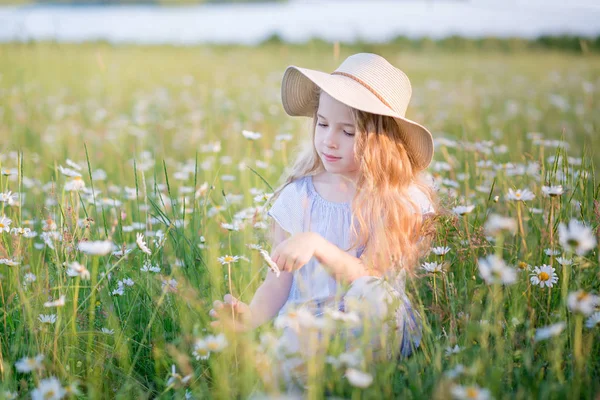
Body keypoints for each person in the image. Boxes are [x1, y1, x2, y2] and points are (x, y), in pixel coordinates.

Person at [209, 53, 438, 388]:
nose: (329, 140)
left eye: (348, 131)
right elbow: (278, 278)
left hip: (377, 326)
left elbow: (369, 278)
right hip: (310, 325)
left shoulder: (394, 201)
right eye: (323, 123)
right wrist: (253, 316)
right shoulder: (298, 197)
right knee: (289, 352)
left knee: (370, 295)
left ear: (382, 141)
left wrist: (317, 245)